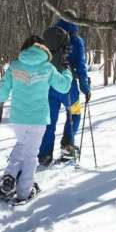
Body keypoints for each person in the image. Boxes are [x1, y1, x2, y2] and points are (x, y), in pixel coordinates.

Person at [0, 35, 72, 204]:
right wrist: (67, 72)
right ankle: (24, 191)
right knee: (30, 155)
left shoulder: (14, 66)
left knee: (22, 145)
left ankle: (9, 178)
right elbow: (64, 87)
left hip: (18, 119)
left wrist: (3, 89)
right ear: (42, 48)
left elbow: (1, 95)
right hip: (38, 119)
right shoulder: (47, 67)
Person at [38, 11, 92, 166]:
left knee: (49, 121)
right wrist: (85, 88)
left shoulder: (48, 38)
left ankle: (44, 154)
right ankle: (68, 146)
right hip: (68, 88)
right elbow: (81, 67)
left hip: (49, 86)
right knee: (74, 114)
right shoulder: (76, 40)